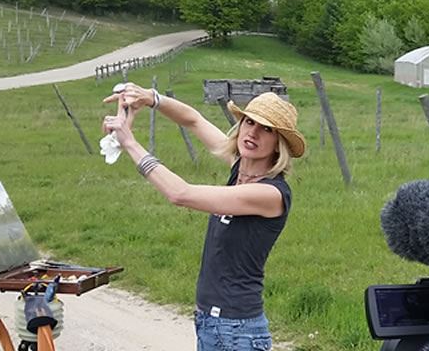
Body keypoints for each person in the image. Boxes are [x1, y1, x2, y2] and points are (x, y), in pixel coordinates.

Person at [102, 87, 306, 351]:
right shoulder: (240, 169)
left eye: (266, 129)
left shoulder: (270, 193)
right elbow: (193, 120)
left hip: (237, 332)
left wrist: (129, 142)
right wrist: (152, 98)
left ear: (280, 144)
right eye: (249, 122)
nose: (253, 133)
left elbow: (180, 194)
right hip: (212, 324)